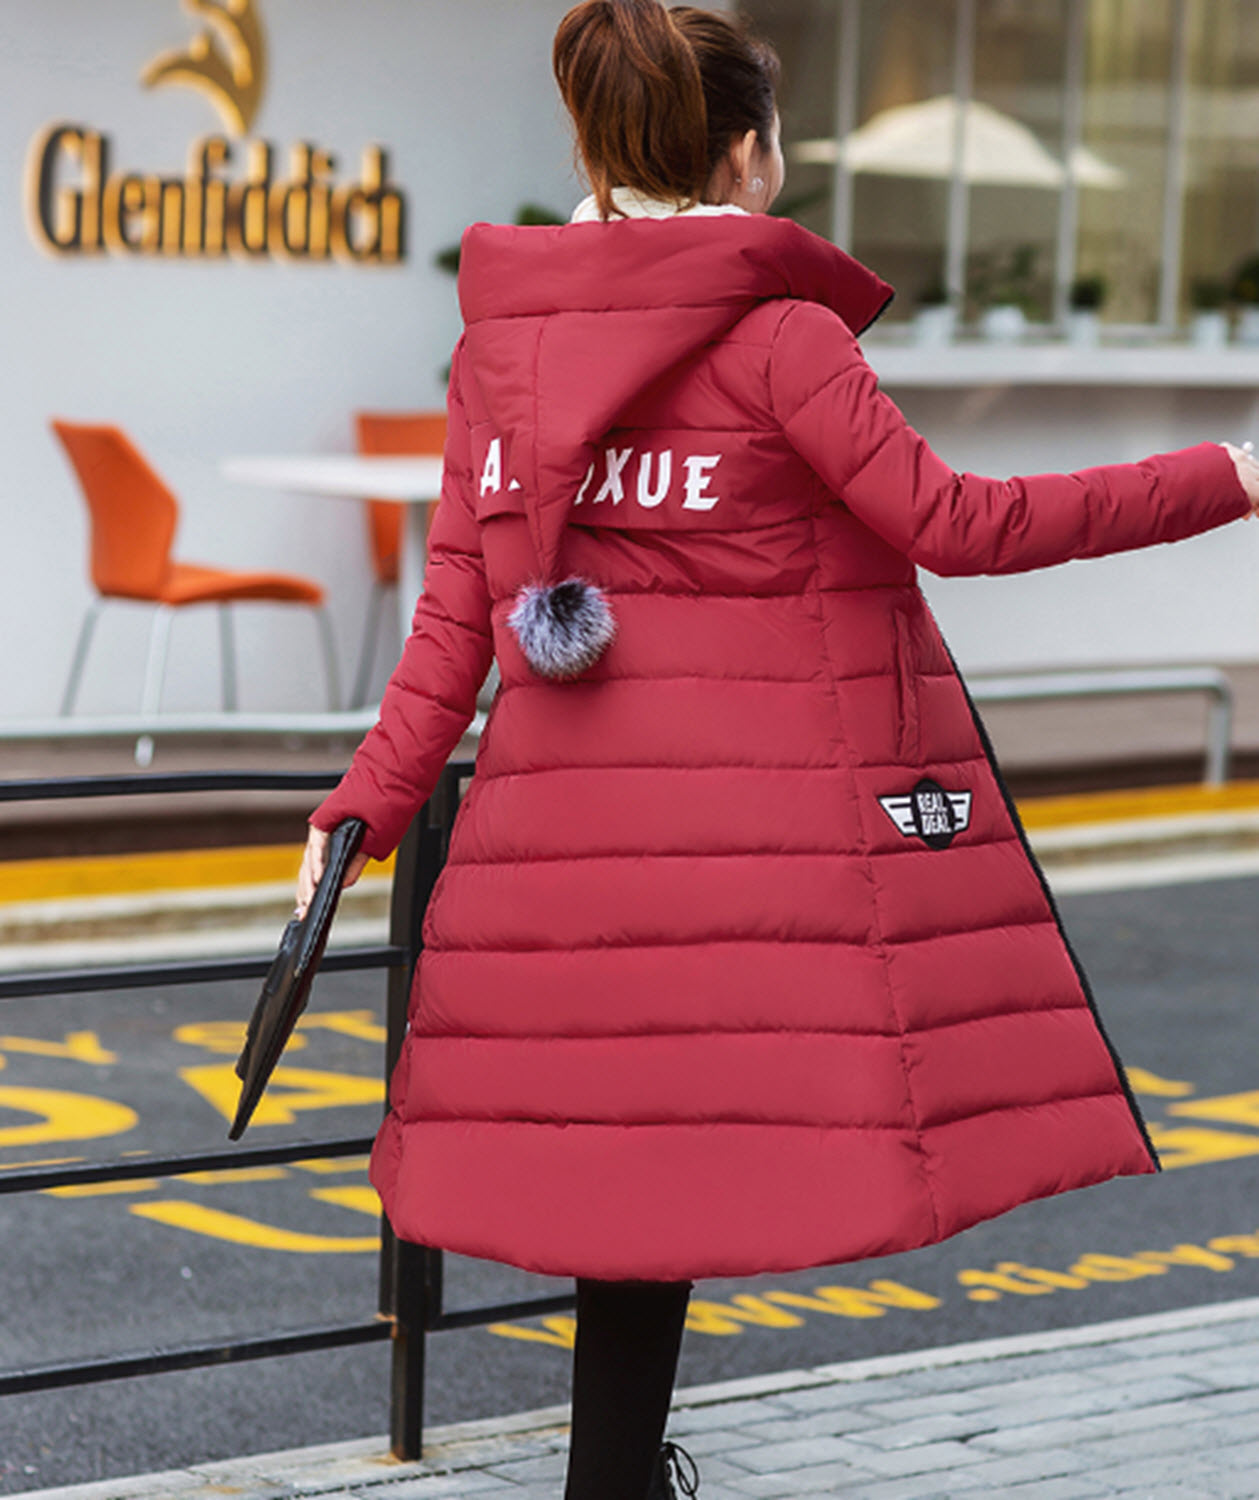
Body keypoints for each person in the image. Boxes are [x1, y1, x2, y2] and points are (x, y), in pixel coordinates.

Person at [297, 3, 1259, 1495]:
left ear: (597, 150)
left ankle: (613, 1476)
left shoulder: (500, 356)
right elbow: (964, 525)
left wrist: (361, 812)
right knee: (686, 1172)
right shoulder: (779, 339)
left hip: (557, 860)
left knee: (622, 1186)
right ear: (744, 153)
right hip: (748, 862)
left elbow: (455, 621)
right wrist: (1231, 475)